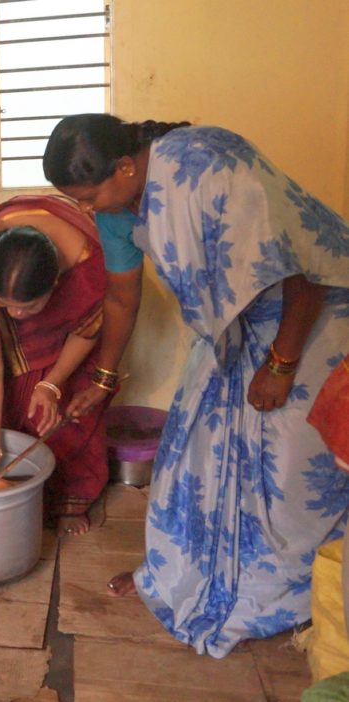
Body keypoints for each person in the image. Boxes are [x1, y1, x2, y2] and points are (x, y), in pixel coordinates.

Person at [44, 114, 349, 657]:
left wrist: (280, 364)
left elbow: (306, 269)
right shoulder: (119, 207)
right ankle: (173, 578)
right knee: (190, 458)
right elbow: (121, 299)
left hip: (312, 319)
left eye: (90, 197)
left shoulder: (208, 164)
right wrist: (104, 380)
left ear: (126, 166)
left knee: (286, 477)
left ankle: (278, 601)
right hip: (235, 326)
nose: (88, 210)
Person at [0, 195, 110, 535]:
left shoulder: (85, 269)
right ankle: (12, 493)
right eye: (6, 306)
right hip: (13, 334)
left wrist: (52, 383)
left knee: (68, 411)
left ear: (54, 286)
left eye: (28, 308)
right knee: (1, 413)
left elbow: (86, 332)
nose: (17, 316)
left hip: (71, 338)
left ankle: (69, 501)